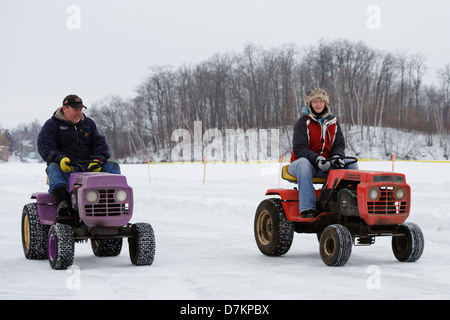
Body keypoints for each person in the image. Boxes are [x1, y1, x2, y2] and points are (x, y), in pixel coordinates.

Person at [38, 94, 120, 217]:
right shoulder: (52, 125)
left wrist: (98, 159)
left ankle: (112, 203)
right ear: (65, 109)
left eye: (80, 110)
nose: (79, 113)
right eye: (75, 110)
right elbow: (45, 146)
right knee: (53, 168)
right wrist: (60, 159)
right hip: (66, 168)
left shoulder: (89, 124)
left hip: (89, 167)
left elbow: (100, 144)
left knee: (112, 166)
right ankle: (63, 203)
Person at [288, 88, 358, 218]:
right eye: (315, 101)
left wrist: (337, 157)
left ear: (325, 103)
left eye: (321, 101)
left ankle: (351, 204)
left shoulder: (333, 122)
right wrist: (317, 159)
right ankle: (308, 208)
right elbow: (299, 148)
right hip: (302, 164)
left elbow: (339, 145)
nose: (318, 104)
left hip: (325, 164)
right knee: (304, 163)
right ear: (310, 104)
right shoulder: (302, 123)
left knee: (351, 163)